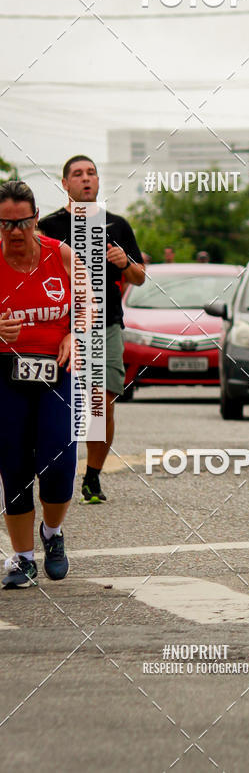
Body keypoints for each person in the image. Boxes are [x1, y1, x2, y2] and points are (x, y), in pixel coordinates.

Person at [38, 156, 145, 503]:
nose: (86, 179)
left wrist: (125, 262)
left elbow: (139, 277)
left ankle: (92, 478)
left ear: (98, 182)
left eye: (91, 173)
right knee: (53, 403)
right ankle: (48, 470)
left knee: (102, 404)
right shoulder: (49, 227)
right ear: (65, 183)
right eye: (77, 174)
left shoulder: (116, 225)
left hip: (104, 324)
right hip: (58, 325)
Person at [0, 180, 77, 588]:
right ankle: (24, 558)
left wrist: (74, 335)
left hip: (56, 371)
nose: (15, 232)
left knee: (60, 461)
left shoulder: (57, 253)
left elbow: (87, 301)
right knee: (13, 465)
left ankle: (53, 532)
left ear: (34, 219)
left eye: (22, 222)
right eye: (5, 224)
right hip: (5, 374)